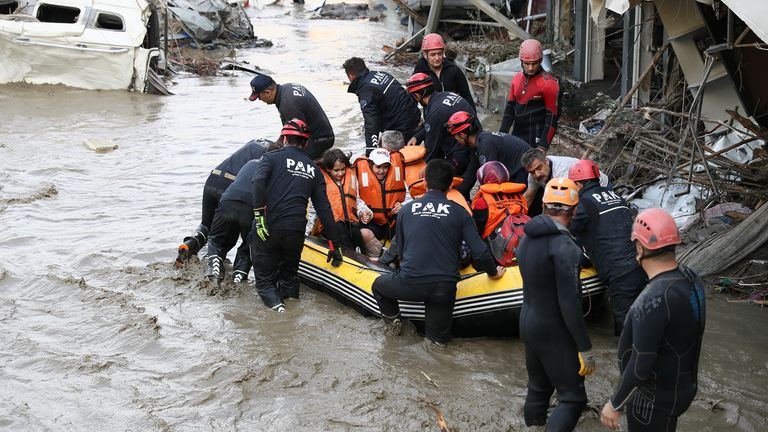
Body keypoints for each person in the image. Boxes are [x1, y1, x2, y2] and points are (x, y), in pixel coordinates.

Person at [372, 159, 504, 345]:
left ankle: (395, 326)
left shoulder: (406, 210)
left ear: (424, 183)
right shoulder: (460, 212)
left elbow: (396, 246)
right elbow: (480, 252)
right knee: (437, 344)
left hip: (410, 283)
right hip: (443, 288)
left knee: (378, 286)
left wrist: (381, 262)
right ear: (451, 185)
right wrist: (493, 272)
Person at [600, 208, 706, 432]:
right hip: (682, 388)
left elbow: (641, 363)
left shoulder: (651, 300)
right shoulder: (691, 278)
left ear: (639, 247)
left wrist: (615, 403)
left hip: (652, 399)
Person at [517, 177, 595, 430]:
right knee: (573, 399)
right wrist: (584, 348)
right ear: (575, 208)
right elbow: (570, 303)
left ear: (543, 205)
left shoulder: (526, 237)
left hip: (528, 322)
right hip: (553, 329)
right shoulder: (564, 247)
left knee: (538, 389)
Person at [250, 119, 342, 312]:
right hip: (296, 232)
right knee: (290, 277)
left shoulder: (271, 158)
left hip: (268, 227)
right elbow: (324, 210)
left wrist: (259, 217)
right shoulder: (314, 170)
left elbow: (258, 182)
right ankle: (292, 310)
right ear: (306, 142)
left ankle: (280, 314)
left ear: (284, 138)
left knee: (265, 283)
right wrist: (335, 245)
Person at [568, 159, 646, 336]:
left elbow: (569, 232)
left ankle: (627, 360)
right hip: (642, 264)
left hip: (620, 272)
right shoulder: (617, 197)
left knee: (625, 330)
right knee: (643, 317)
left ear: (578, 184)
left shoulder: (584, 204)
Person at [176, 138, 275, 266]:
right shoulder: (275, 156)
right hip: (232, 188)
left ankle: (190, 244)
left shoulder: (258, 141)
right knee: (228, 235)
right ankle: (213, 262)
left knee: (206, 225)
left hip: (213, 179)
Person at [405, 73, 476, 197]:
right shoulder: (445, 95)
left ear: (417, 95)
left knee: (450, 188)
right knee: (464, 185)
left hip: (461, 151)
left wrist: (421, 173)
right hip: (472, 142)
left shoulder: (435, 111)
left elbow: (431, 149)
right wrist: (418, 136)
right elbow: (434, 124)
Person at [342, 57, 420, 153]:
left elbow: (371, 122)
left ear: (350, 76)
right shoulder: (381, 74)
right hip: (414, 116)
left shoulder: (366, 90)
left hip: (402, 126)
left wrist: (371, 150)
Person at [247, 74, 335, 159]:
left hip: (319, 141)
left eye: (259, 96)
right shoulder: (287, 88)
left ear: (268, 93)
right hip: (323, 135)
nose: (259, 99)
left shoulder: (288, 104)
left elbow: (297, 137)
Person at [205, 158, 262, 285]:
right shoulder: (273, 169)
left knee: (215, 240)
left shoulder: (250, 162)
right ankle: (239, 276)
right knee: (248, 245)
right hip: (250, 208)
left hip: (228, 201)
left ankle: (215, 270)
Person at [317, 149, 381, 257]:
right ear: (328, 169)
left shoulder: (350, 177)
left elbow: (356, 200)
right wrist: (305, 232)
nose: (341, 173)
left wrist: (363, 212)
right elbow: (313, 209)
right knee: (341, 233)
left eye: (343, 169)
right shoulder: (320, 181)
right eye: (336, 170)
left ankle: (365, 261)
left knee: (357, 238)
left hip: (350, 222)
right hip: (332, 224)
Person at [499, 38, 560, 150]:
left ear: (540, 60)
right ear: (521, 61)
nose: (530, 68)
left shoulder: (549, 83)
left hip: (535, 141)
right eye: (527, 64)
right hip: (516, 136)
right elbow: (510, 109)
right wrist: (501, 135)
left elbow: (552, 118)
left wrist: (543, 146)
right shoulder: (517, 79)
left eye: (534, 63)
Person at [445, 110, 531, 187]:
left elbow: (489, 181)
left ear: (462, 135)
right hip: (519, 170)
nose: (455, 139)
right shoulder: (478, 142)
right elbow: (471, 172)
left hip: (524, 172)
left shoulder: (485, 145)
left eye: (455, 136)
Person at [521, 147, 609, 217]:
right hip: (577, 189)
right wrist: (517, 215)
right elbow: (529, 196)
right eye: (532, 171)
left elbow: (563, 205)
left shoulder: (562, 172)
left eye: (539, 168)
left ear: (546, 160)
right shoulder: (534, 174)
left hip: (599, 185)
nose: (537, 174)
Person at [471, 162, 529, 266]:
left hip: (496, 251)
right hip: (523, 244)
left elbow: (476, 230)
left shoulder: (483, 201)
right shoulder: (520, 197)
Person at [412, 33, 476, 111]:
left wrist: (473, 118)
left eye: (440, 54)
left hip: (454, 114)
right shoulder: (420, 72)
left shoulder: (454, 70)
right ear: (425, 55)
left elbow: (466, 96)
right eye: (433, 55)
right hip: (432, 115)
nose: (437, 58)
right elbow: (412, 100)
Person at [355, 148, 407, 241]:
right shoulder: (360, 179)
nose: (382, 171)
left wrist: (402, 206)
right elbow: (356, 200)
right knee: (362, 233)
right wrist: (363, 212)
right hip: (372, 223)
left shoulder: (398, 179)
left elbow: (410, 197)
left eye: (385, 167)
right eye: (378, 167)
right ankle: (376, 253)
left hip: (392, 222)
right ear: (371, 165)